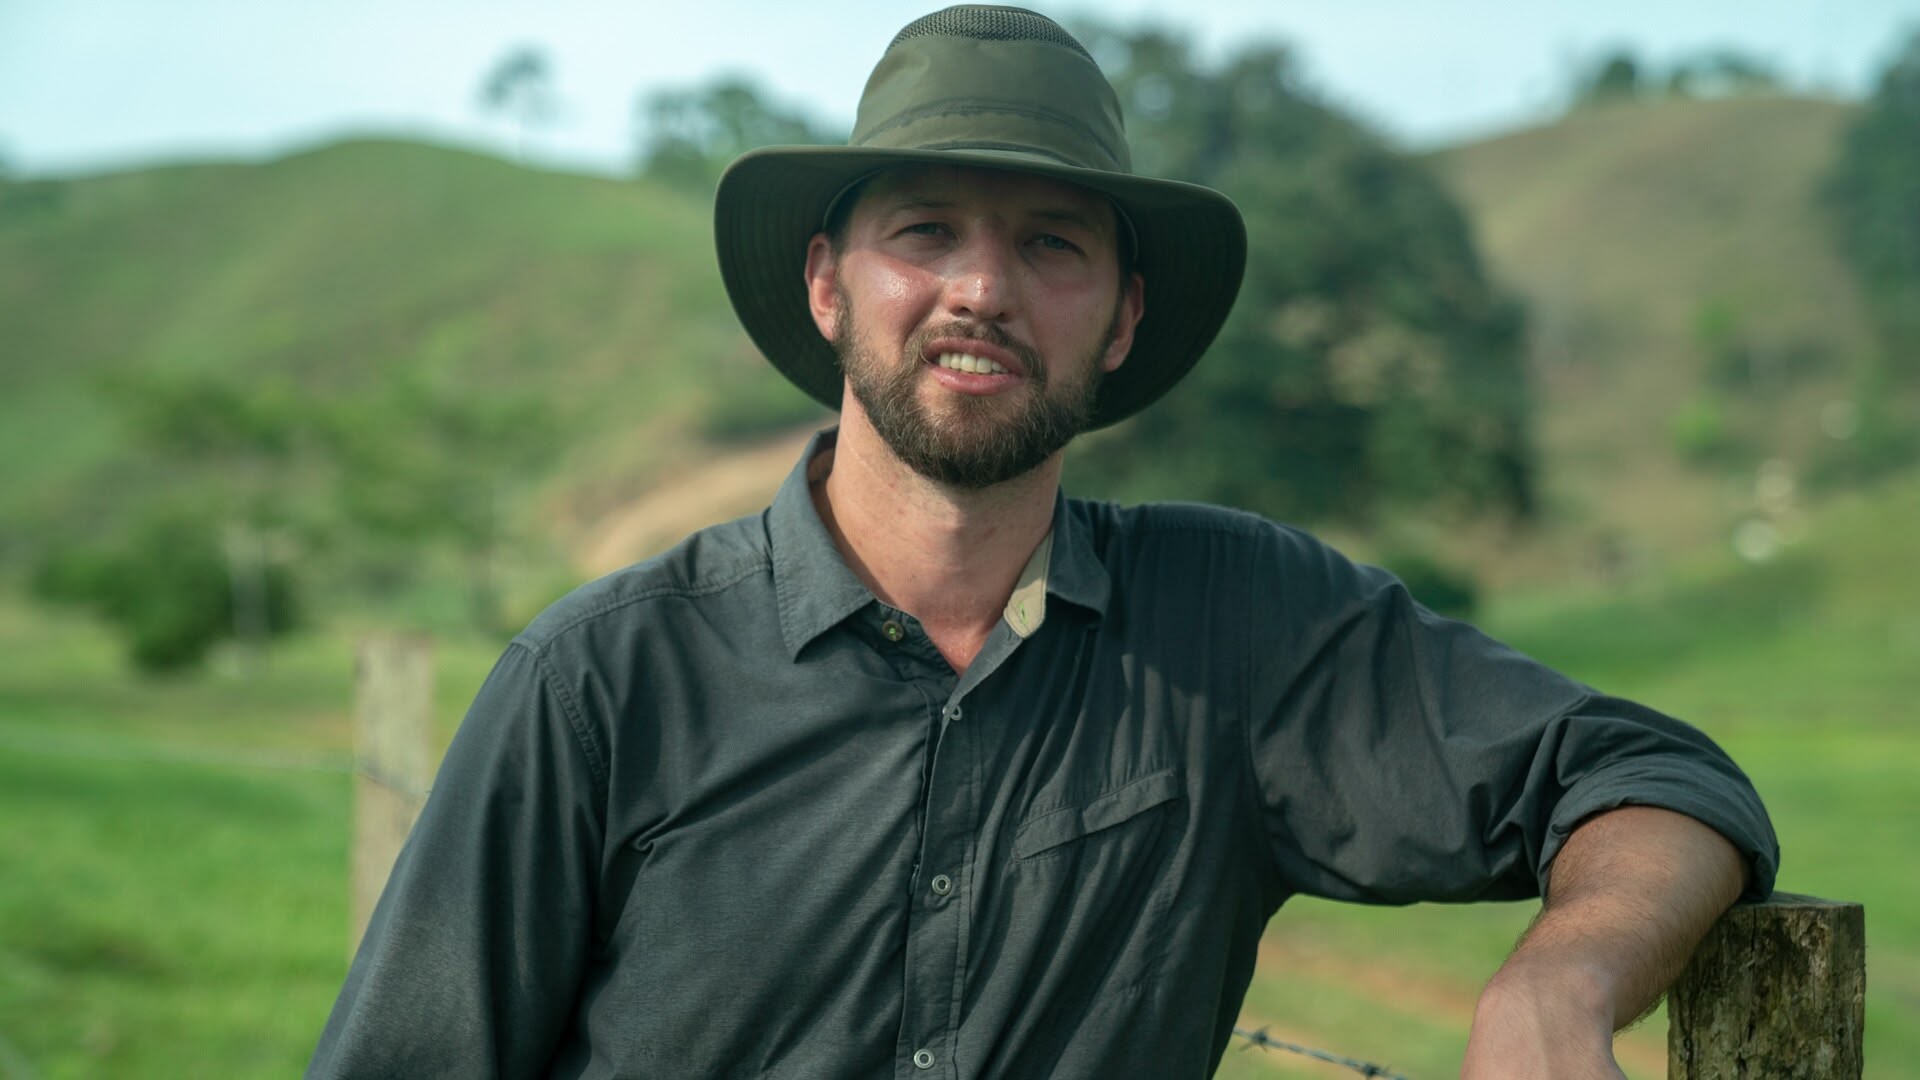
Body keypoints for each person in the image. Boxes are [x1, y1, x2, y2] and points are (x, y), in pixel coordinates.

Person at [309, 7, 1777, 1078]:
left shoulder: (1236, 627)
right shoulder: (601, 682)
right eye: (925, 231)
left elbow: (1661, 782)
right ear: (827, 284)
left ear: (1122, 316)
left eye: (1051, 244)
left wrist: (1555, 986)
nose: (983, 289)